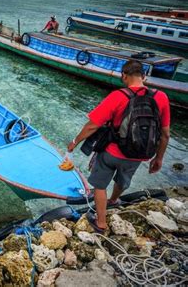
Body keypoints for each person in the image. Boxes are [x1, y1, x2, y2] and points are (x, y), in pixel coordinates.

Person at [67, 60, 170, 233]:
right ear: (144, 76)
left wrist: (75, 142)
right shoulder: (161, 97)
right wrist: (158, 158)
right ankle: (114, 200)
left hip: (113, 152)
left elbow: (93, 125)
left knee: (100, 185)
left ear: (124, 75)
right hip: (140, 154)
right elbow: (165, 133)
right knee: (123, 178)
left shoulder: (118, 96)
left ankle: (101, 222)